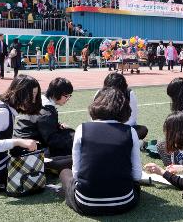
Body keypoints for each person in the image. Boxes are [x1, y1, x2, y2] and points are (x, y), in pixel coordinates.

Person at [60, 88, 142, 216]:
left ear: (96, 105)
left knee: (65, 172)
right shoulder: (130, 131)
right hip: (124, 202)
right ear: (124, 108)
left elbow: (76, 174)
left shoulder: (82, 129)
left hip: (86, 203)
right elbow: (137, 176)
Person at [0, 75, 42, 186]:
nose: (34, 100)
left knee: (35, 157)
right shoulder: (3, 112)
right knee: (43, 166)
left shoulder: (4, 106)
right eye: (32, 95)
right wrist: (18, 142)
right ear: (20, 93)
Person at [14, 77, 74, 172]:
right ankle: (47, 165)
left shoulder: (41, 100)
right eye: (66, 96)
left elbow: (39, 124)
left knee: (67, 135)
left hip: (21, 147)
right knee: (72, 155)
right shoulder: (46, 112)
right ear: (56, 94)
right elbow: (52, 140)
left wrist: (58, 126)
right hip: (27, 153)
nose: (68, 99)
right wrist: (73, 140)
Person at [97, 72, 148, 140]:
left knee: (142, 129)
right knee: (141, 130)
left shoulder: (129, 94)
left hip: (120, 129)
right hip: (107, 129)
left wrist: (118, 129)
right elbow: (94, 119)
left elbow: (132, 119)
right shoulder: (99, 93)